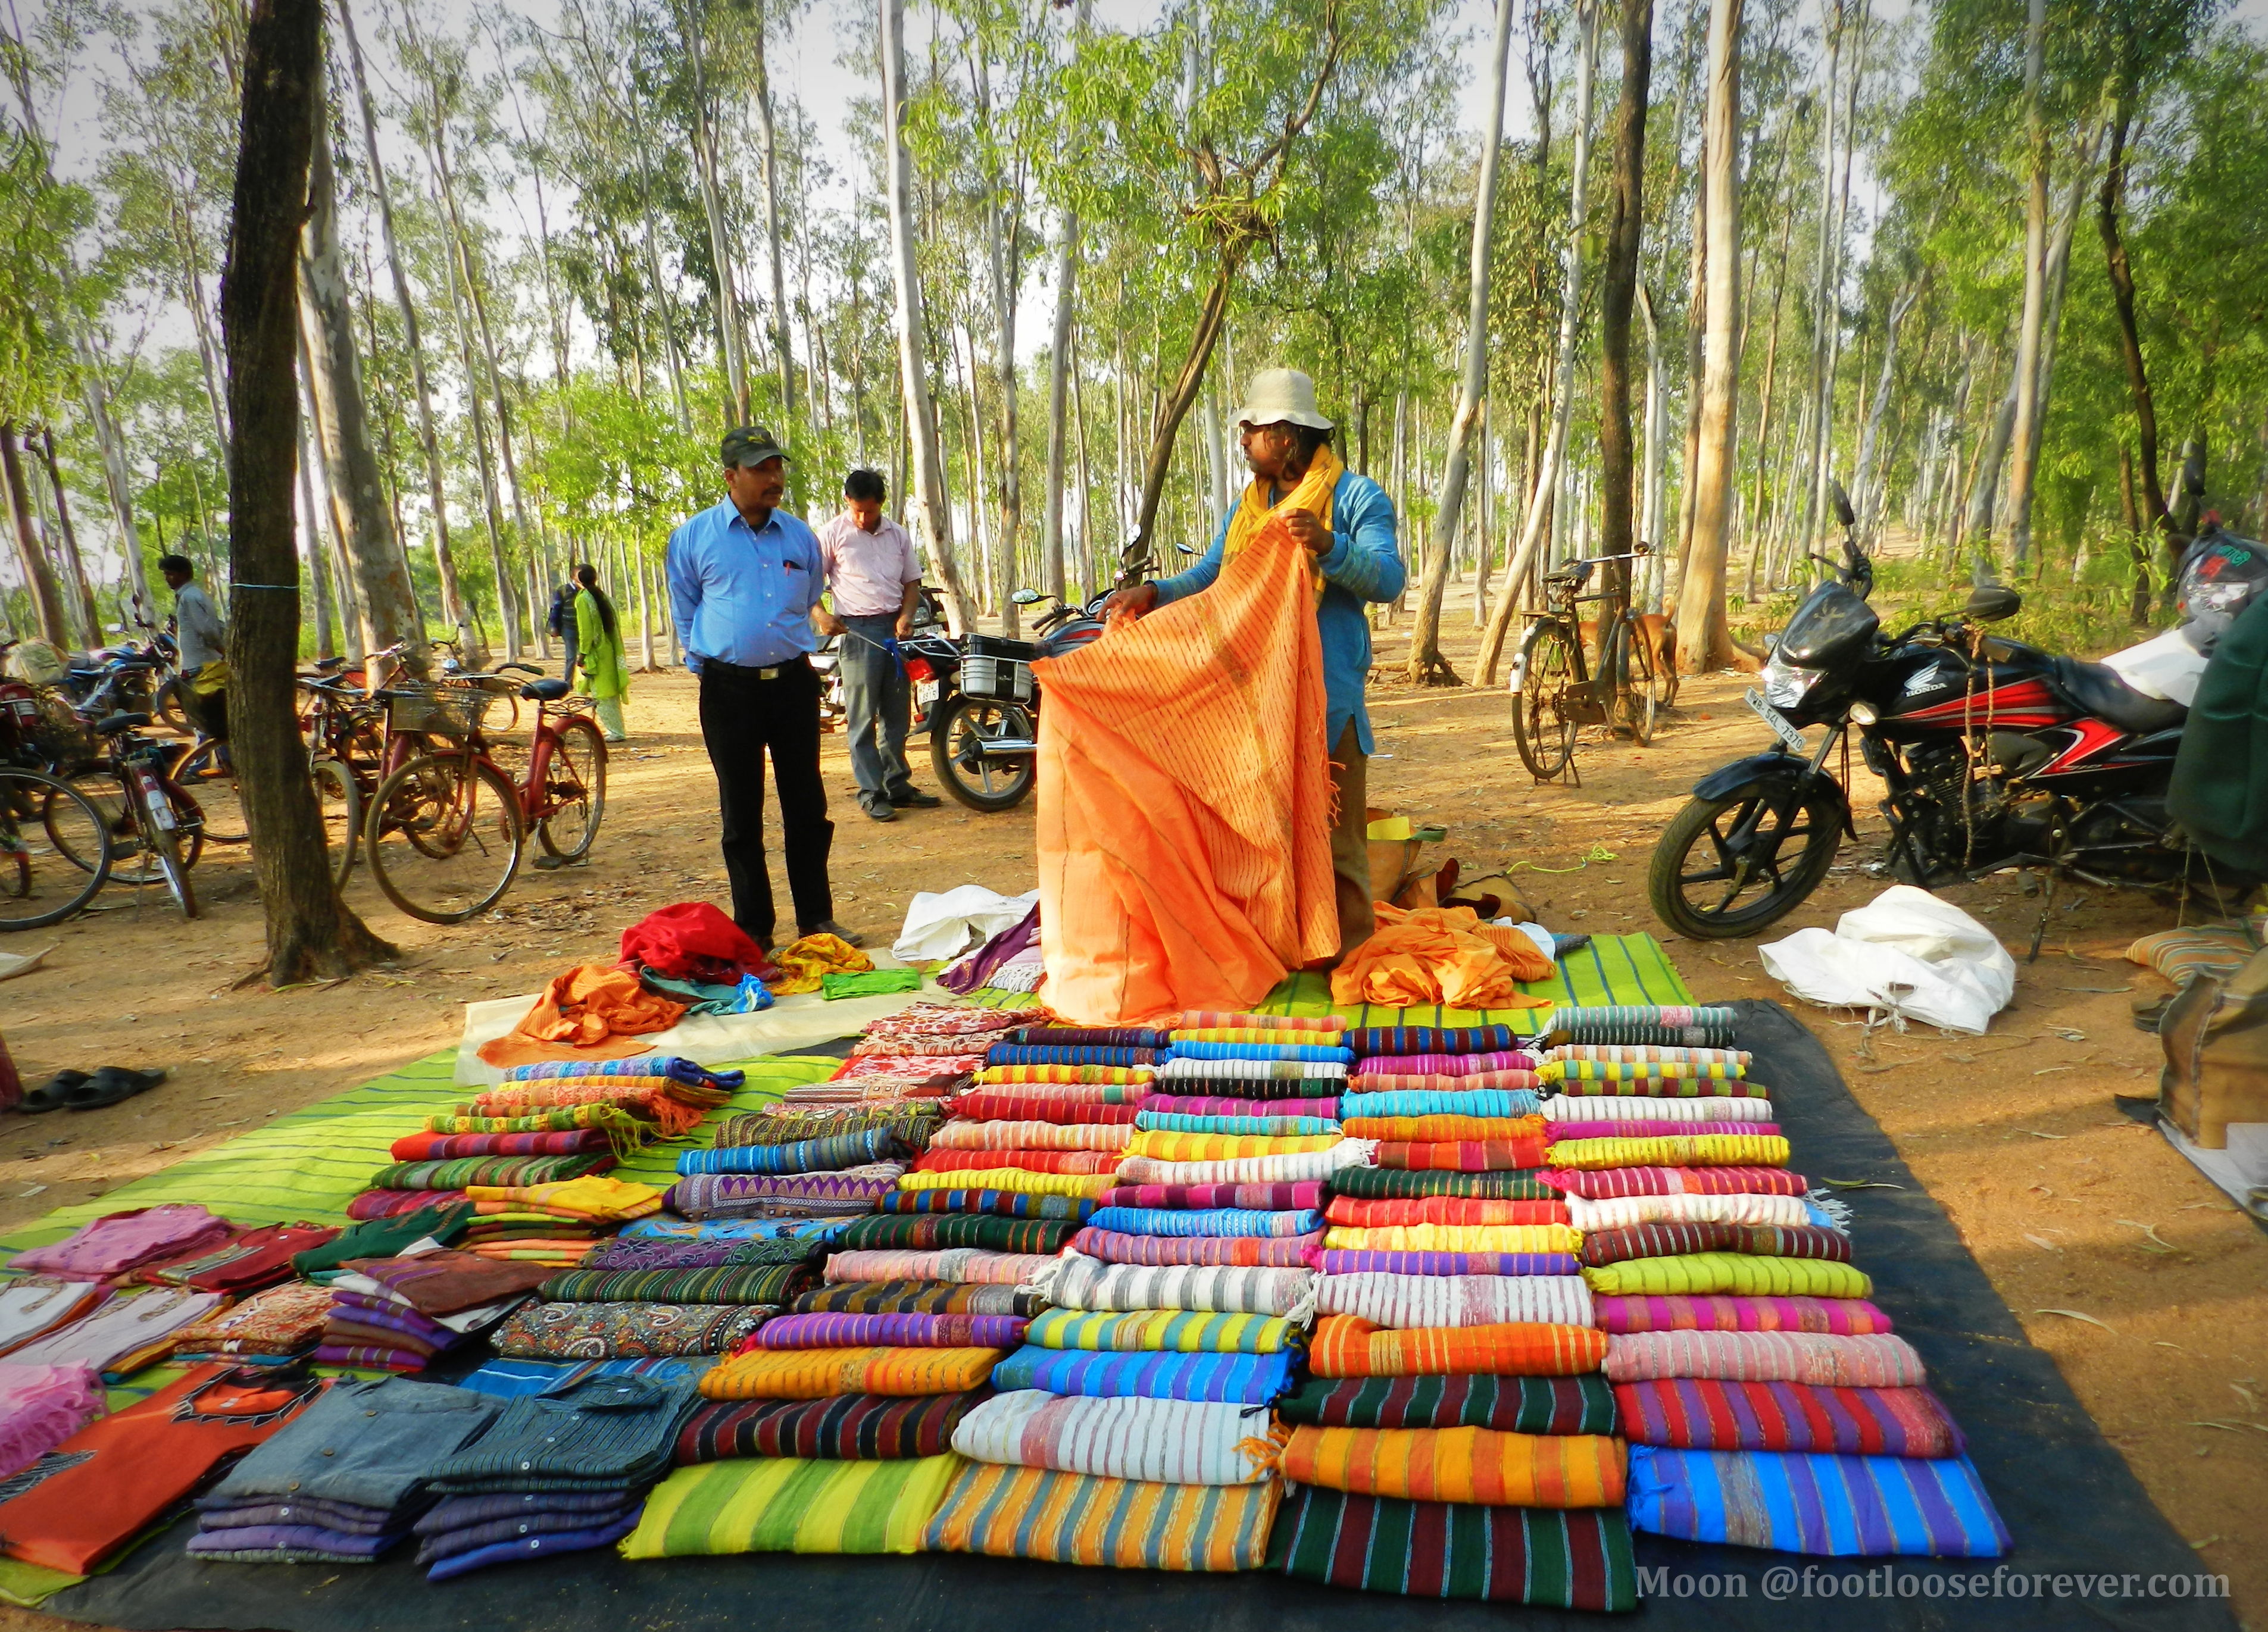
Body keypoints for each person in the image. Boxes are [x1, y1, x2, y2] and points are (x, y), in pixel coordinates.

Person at [1102, 368, 1404, 961]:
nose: (1243, 438)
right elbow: (1213, 575)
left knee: (1336, 846)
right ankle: (1283, 954)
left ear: (1286, 436)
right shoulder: (1248, 509)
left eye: (1253, 428)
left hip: (1327, 701)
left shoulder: (1354, 498)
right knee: (1261, 841)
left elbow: (1389, 579)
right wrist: (1155, 593)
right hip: (1252, 702)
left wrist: (1328, 545)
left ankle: (1352, 965)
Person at [666, 426, 863, 951]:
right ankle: (754, 927)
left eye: (777, 467)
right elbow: (685, 606)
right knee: (741, 811)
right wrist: (703, 661)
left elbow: (807, 598)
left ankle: (816, 920)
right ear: (731, 476)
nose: (774, 478)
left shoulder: (800, 537)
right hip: (728, 693)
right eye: (760, 469)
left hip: (793, 686)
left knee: (807, 807)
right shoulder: (694, 538)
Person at [814, 469, 944, 822]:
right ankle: (871, 792)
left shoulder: (898, 535)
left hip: (895, 632)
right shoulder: (831, 534)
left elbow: (912, 584)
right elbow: (810, 585)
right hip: (856, 632)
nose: (862, 518)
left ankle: (897, 784)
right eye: (856, 510)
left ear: (881, 504)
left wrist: (906, 618)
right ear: (847, 502)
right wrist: (822, 617)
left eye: (869, 511)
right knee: (861, 717)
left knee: (897, 715)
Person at [158, 553, 229, 744]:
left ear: (185, 574)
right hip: (200, 664)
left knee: (204, 718)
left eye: (171, 574)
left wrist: (224, 651)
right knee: (209, 719)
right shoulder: (190, 596)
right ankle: (225, 762)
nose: (167, 579)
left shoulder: (190, 597)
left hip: (202, 666)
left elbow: (208, 630)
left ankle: (199, 766)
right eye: (165, 575)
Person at [568, 562, 630, 743]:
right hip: (608, 649)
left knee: (602, 693)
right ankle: (616, 729)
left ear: (577, 580)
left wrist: (582, 654)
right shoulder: (604, 597)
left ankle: (616, 731)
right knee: (609, 693)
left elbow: (585, 632)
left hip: (595, 653)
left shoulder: (583, 599)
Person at [548, 580, 579, 680]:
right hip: (568, 628)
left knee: (587, 656)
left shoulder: (586, 590)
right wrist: (554, 626)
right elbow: (556, 608)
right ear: (573, 577)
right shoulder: (563, 590)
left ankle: (586, 683)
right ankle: (568, 682)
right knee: (571, 657)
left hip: (584, 629)